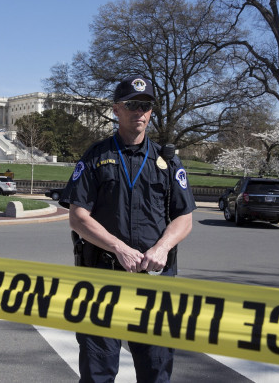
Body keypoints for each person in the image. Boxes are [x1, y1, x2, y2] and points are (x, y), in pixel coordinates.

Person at [60, 75, 195, 383]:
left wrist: (161, 249)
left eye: (146, 106)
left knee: (156, 372)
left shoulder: (167, 161)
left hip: (154, 284)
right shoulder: (96, 157)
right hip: (102, 281)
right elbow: (78, 217)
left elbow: (184, 218)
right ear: (116, 110)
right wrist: (118, 248)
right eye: (132, 105)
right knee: (98, 374)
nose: (140, 112)